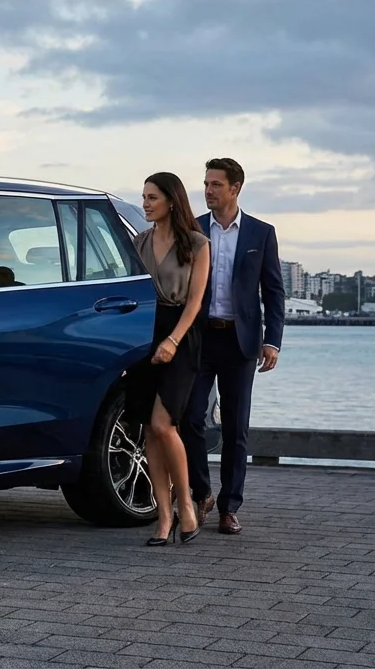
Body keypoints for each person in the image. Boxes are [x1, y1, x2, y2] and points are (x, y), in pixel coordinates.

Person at [181, 157, 285, 535]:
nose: (208, 191)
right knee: (190, 417)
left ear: (235, 188)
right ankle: (202, 492)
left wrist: (272, 341)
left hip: (242, 343)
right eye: (206, 184)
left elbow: (274, 292)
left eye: (215, 185)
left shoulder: (261, 233)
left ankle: (229, 506)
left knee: (236, 428)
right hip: (200, 338)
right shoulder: (192, 229)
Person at [129, 172, 210, 546]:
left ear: (171, 201)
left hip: (181, 334)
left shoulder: (196, 243)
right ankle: (164, 518)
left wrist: (173, 341)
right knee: (148, 428)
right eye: (143, 197)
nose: (145, 203)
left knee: (164, 425)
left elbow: (195, 303)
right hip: (143, 333)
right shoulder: (138, 242)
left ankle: (187, 505)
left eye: (152, 197)